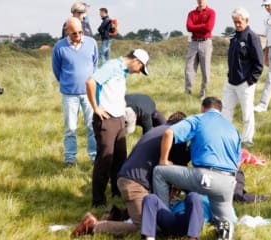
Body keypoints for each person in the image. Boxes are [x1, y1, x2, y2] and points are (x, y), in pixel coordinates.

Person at [70, 112, 190, 237]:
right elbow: (180, 173)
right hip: (135, 184)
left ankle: (117, 214)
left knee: (149, 214)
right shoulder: (174, 137)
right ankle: (93, 226)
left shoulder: (158, 130)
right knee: (146, 228)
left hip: (128, 177)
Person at [153, 96, 241, 240]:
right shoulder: (233, 128)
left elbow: (169, 133)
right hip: (227, 182)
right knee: (224, 219)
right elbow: (238, 162)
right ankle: (225, 227)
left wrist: (163, 160)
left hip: (204, 176)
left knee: (159, 172)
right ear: (220, 111)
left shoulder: (199, 119)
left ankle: (163, 220)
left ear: (202, 108)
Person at [86, 48, 149, 207]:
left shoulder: (123, 72)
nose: (139, 72)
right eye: (141, 68)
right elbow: (90, 82)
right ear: (136, 61)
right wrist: (96, 108)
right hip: (106, 119)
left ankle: (116, 191)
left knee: (120, 158)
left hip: (119, 118)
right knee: (105, 159)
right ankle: (98, 201)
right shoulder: (112, 66)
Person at [52, 17, 98, 167]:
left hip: (89, 93)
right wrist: (69, 82)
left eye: (80, 32)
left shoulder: (92, 43)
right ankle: (70, 159)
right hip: (69, 95)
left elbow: (95, 65)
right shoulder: (59, 47)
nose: (78, 36)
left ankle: (94, 157)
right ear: (67, 32)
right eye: (74, 34)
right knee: (71, 128)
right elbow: (56, 70)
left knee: (92, 126)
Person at [221, 7, 263, 148]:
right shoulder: (233, 36)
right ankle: (224, 136)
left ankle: (247, 140)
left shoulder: (253, 37)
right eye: (235, 22)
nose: (237, 25)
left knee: (247, 113)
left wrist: (250, 81)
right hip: (230, 81)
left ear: (247, 20)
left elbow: (259, 63)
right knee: (225, 109)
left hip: (245, 82)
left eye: (239, 22)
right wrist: (229, 75)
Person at [184, 0, 216, 99]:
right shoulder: (191, 13)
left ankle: (203, 94)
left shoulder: (211, 12)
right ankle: (188, 93)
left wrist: (196, 27)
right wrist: (202, 26)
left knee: (205, 70)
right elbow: (189, 27)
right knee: (189, 69)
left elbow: (209, 28)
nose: (200, 1)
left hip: (205, 42)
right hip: (193, 42)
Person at [141, 192, 205, 240]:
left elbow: (200, 215)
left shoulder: (204, 197)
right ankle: (149, 238)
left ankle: (193, 238)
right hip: (171, 217)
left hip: (189, 220)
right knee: (150, 198)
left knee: (194, 196)